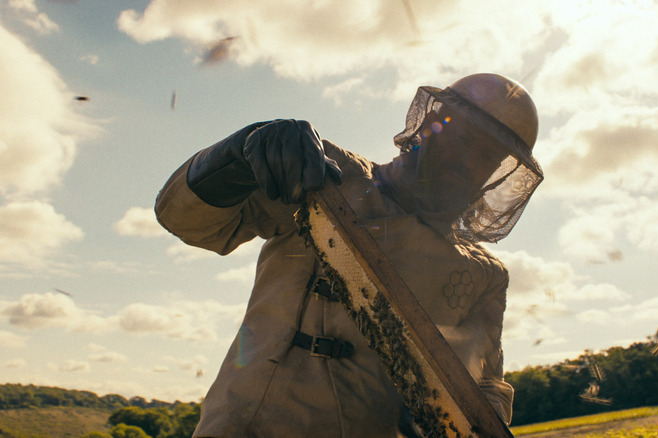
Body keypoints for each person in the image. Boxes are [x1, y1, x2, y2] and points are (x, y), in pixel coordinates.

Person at [155, 73, 543, 437]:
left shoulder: (481, 275)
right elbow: (188, 221)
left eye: (488, 154)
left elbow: (485, 384)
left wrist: (464, 419)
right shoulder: (325, 173)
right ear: (431, 125)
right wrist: (239, 154)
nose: (469, 160)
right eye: (465, 138)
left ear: (500, 172)